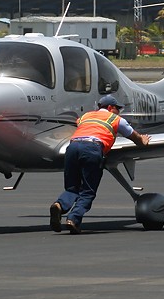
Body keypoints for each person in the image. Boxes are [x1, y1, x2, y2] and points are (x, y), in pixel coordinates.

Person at [50, 94, 150, 234]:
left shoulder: (86, 116)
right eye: (117, 108)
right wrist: (143, 140)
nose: (119, 111)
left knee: (72, 188)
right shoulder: (115, 119)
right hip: (92, 148)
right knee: (88, 191)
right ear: (110, 107)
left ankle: (59, 205)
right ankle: (73, 219)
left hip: (72, 148)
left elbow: (80, 125)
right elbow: (135, 137)